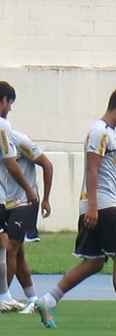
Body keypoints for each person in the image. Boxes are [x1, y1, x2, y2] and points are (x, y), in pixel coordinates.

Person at [34, 87, 116, 329]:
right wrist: (93, 206)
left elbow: (109, 171)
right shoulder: (100, 132)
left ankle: (48, 300)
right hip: (103, 206)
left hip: (104, 201)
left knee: (94, 262)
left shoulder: (106, 133)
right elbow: (92, 168)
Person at [5, 129, 53, 314]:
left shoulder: (18, 140)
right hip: (4, 203)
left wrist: (46, 198)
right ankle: (33, 298)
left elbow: (47, 165)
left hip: (25, 201)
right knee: (17, 254)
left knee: (10, 249)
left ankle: (3, 296)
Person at [0, 81, 37, 313]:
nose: (10, 108)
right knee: (6, 246)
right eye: (9, 103)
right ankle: (3, 296)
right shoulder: (3, 126)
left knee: (10, 247)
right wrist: (30, 189)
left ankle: (24, 297)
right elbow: (10, 162)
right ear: (4, 100)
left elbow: (45, 163)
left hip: (12, 201)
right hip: (8, 198)